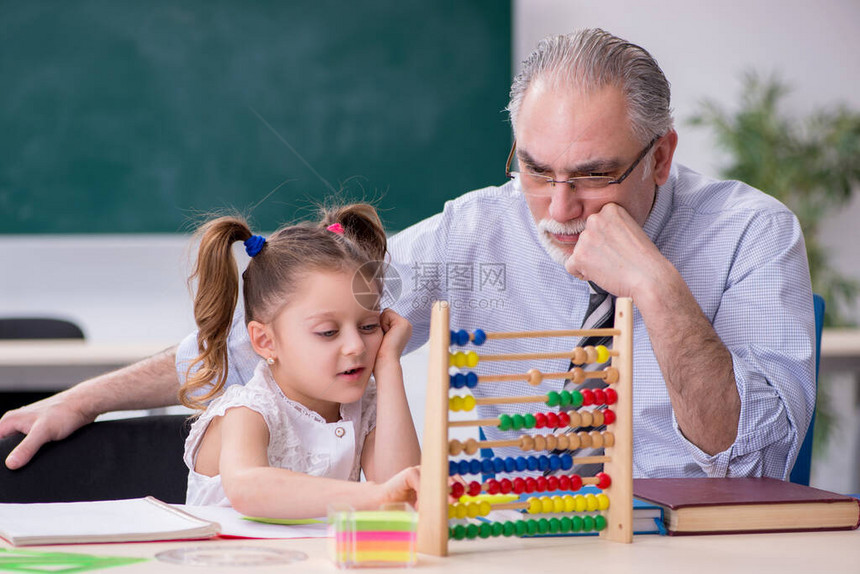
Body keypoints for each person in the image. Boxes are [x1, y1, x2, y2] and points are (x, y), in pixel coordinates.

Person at [0, 29, 814, 480]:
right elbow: (291, 328)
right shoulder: (478, 233)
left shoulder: (753, 235)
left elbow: (757, 456)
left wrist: (659, 288)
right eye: (535, 170)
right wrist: (92, 398)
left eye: (595, 178)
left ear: (661, 157)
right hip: (512, 545)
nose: (559, 211)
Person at [177, 204, 420, 515]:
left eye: (369, 326)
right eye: (328, 332)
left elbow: (404, 490)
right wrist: (377, 496)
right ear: (266, 341)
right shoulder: (248, 410)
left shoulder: (367, 406)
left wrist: (388, 366)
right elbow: (250, 489)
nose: (356, 346)